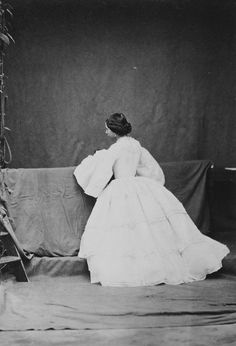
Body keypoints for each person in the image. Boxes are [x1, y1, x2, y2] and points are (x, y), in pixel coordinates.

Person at [74, 113, 229, 287]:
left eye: (107, 129)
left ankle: (134, 270)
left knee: (125, 230)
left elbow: (100, 171)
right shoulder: (137, 146)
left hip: (121, 187)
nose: (105, 132)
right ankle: (155, 268)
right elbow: (153, 171)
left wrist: (90, 164)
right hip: (137, 186)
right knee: (147, 230)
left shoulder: (116, 149)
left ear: (114, 130)